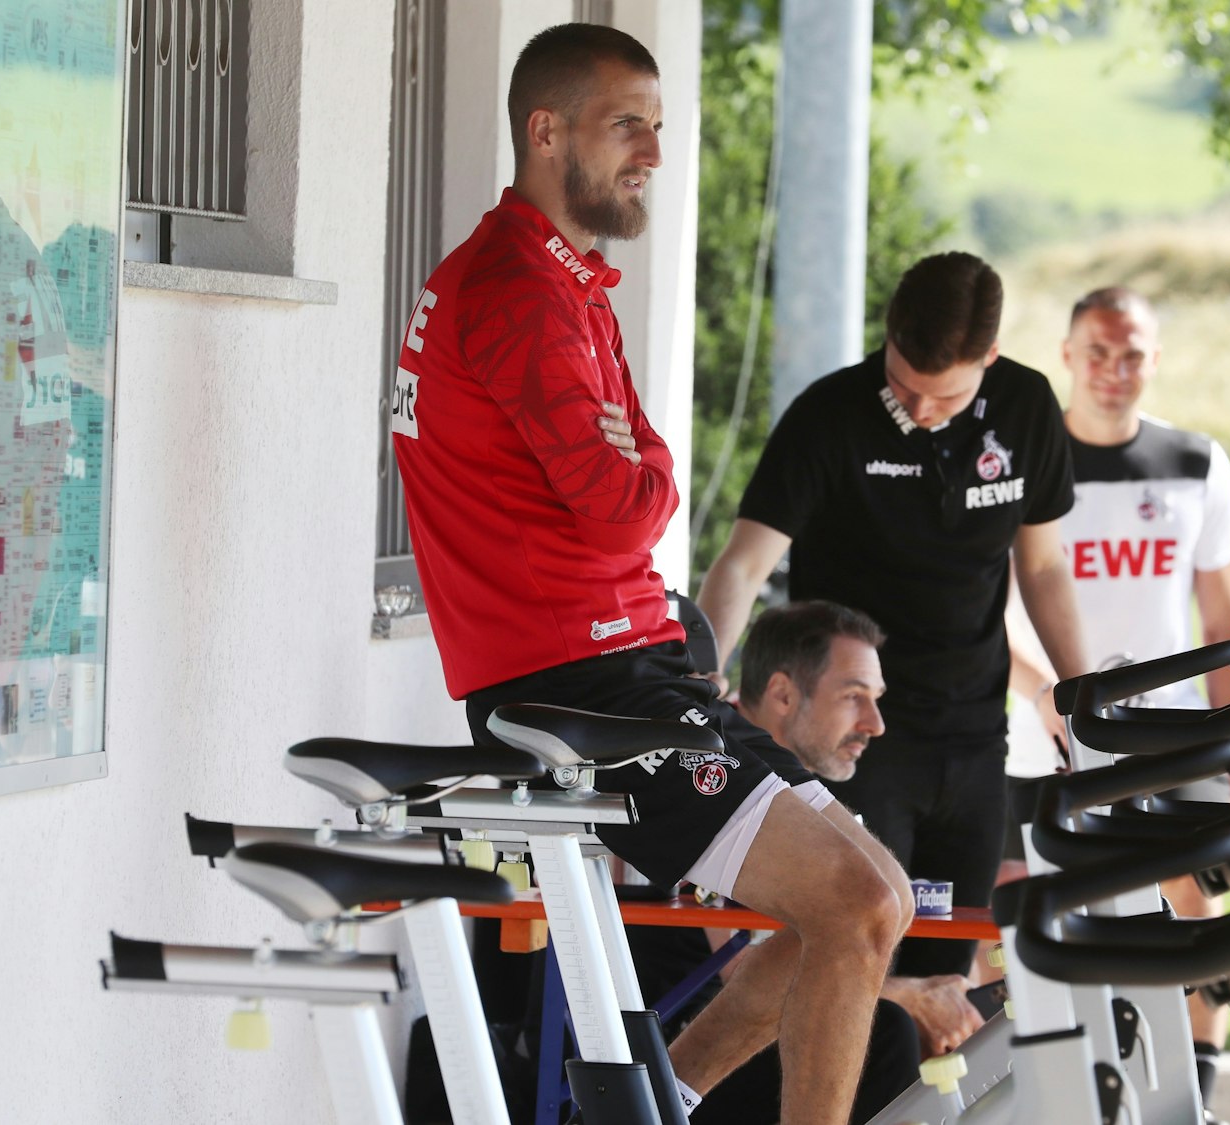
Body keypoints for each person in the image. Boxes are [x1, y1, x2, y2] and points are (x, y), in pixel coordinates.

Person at [391, 24, 910, 1122]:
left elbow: (642, 470)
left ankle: (663, 1096)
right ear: (546, 131)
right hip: (580, 683)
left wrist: (647, 470)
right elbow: (626, 505)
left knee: (881, 894)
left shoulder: (563, 279)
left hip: (637, 665)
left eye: (659, 127)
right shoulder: (517, 292)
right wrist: (648, 474)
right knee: (855, 900)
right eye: (627, 124)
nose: (654, 154)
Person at [699, 251, 1088, 979]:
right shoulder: (829, 414)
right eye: (904, 387)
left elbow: (1043, 567)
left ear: (990, 359)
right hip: (852, 738)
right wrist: (699, 677)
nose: (919, 410)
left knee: (946, 975)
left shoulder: (1026, 405)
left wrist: (1081, 692)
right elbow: (744, 563)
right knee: (854, 963)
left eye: (944, 397)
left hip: (974, 735)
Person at [999, 286, 1230, 1122]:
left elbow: (1225, 624)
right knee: (1023, 934)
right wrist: (1044, 694)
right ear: (1067, 356)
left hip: (1174, 738)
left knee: (1200, 914)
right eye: (1098, 353)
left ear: (1155, 360)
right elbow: (985, 611)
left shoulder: (1196, 462)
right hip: (1041, 740)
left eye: (1132, 354)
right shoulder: (1019, 463)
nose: (1114, 370)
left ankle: (1193, 1103)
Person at [632, 600, 991, 1123]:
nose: (875, 723)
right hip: (672, 1032)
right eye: (853, 696)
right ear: (782, 693)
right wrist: (908, 996)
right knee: (890, 1028)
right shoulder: (705, 763)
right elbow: (739, 967)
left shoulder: (806, 799)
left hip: (718, 1047)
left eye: (876, 700)